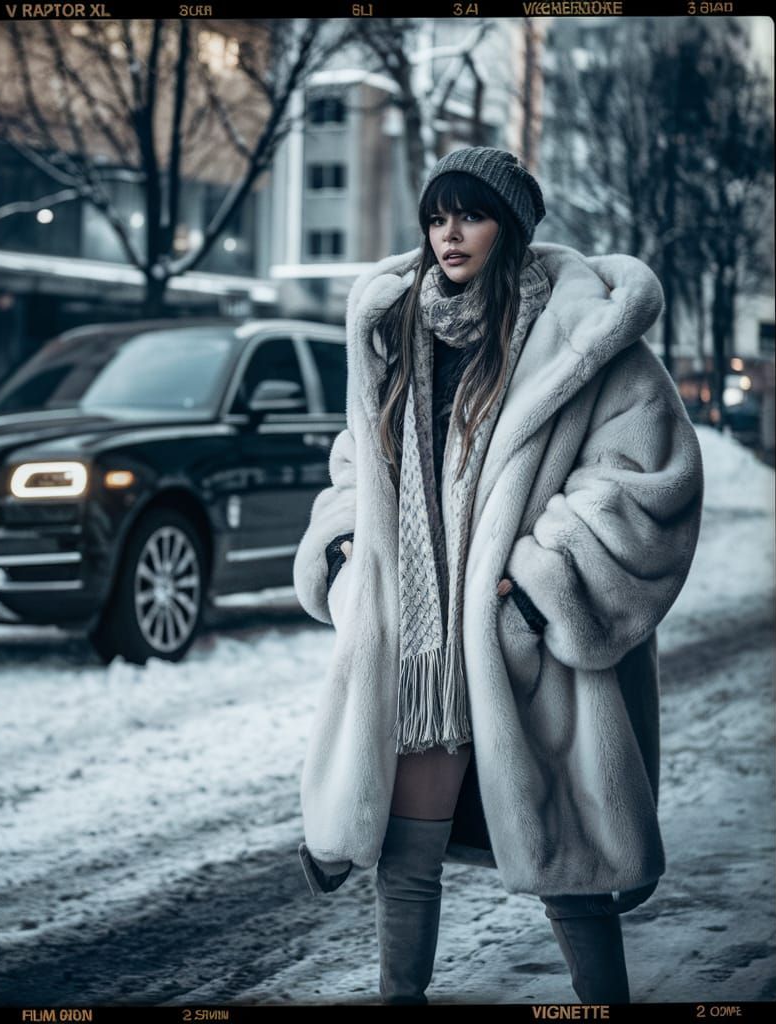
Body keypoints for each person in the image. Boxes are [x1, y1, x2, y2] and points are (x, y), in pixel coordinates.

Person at [291, 146, 704, 1005]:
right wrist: (342, 553)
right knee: (406, 859)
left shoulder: (584, 338)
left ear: (508, 227)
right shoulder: (396, 331)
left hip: (522, 634)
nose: (449, 234)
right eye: (437, 216)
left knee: (572, 860)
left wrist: (535, 583)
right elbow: (354, 463)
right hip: (419, 641)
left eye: (469, 215)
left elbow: (645, 476)